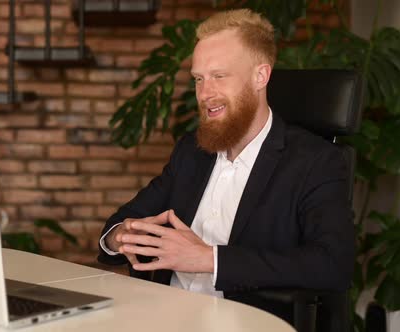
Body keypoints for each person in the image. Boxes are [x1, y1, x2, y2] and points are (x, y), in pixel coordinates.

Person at [97, 9, 354, 322]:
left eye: (219, 76)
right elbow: (123, 222)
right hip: (163, 317)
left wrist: (210, 259)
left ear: (261, 76)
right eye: (199, 79)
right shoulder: (191, 151)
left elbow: (333, 264)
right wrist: (120, 236)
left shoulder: (316, 160)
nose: (205, 94)